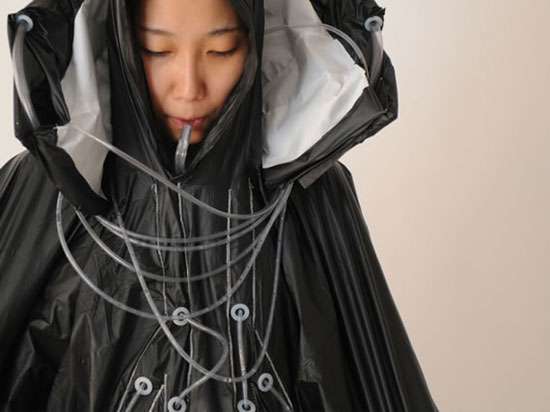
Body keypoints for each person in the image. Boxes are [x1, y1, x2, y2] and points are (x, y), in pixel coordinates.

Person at [0, 0, 440, 411]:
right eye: (157, 50)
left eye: (221, 50)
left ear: (257, 44)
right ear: (116, 41)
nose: (189, 87)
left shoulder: (313, 193)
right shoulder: (48, 189)